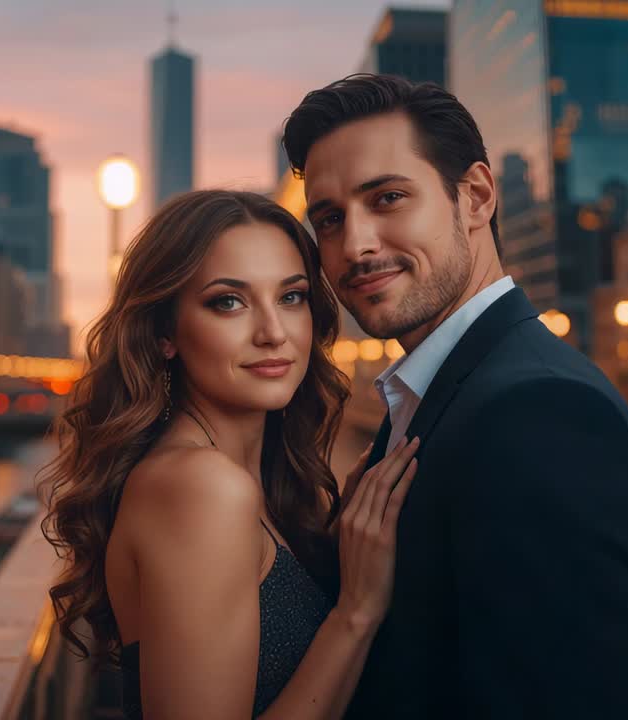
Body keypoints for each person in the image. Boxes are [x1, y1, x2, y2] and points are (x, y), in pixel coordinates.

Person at [282, 74, 628, 718]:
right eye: (330, 219)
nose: (356, 245)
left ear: (477, 197)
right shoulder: (441, 393)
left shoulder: (542, 414)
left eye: (389, 198)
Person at [40, 189, 418, 719]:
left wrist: (335, 550)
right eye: (228, 301)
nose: (272, 333)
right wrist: (355, 613)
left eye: (291, 297)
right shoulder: (201, 487)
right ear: (165, 332)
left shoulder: (246, 480)